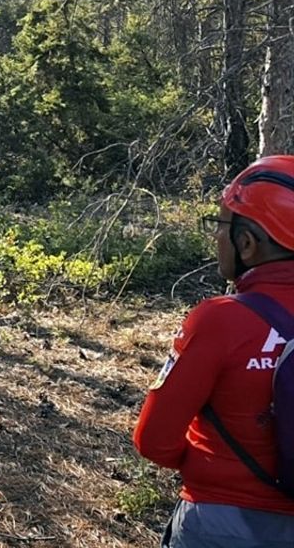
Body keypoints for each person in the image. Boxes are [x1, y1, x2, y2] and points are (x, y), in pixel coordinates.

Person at [133, 155, 294, 547]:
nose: (217, 238)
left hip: (222, 523)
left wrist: (215, 466)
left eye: (221, 226)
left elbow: (153, 440)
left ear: (246, 243)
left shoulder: (219, 320)